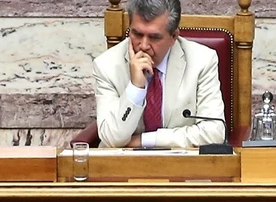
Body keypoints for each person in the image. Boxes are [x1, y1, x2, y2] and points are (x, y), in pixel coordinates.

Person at [92, 0, 226, 149]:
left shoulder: (202, 61)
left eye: (154, 37)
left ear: (174, 37)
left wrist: (145, 141)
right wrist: (135, 88)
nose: (143, 45)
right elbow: (112, 139)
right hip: (124, 166)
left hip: (181, 166)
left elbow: (214, 133)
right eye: (137, 34)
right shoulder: (106, 66)